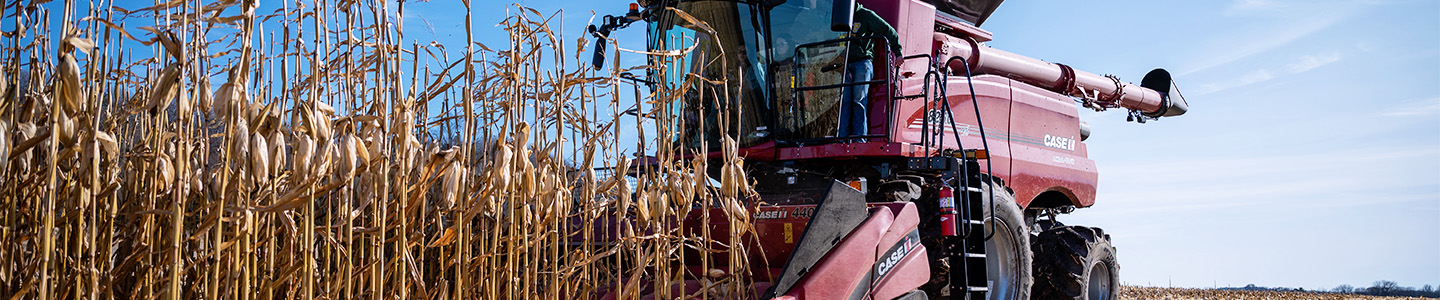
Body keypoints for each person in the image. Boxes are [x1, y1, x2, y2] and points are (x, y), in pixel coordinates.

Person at [838, 3, 900, 142]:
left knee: (858, 100)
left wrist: (898, 52)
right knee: (844, 101)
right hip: (844, 63)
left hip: (862, 62)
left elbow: (888, 30)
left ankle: (860, 138)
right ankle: (841, 138)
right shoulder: (838, 16)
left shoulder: (866, 15)